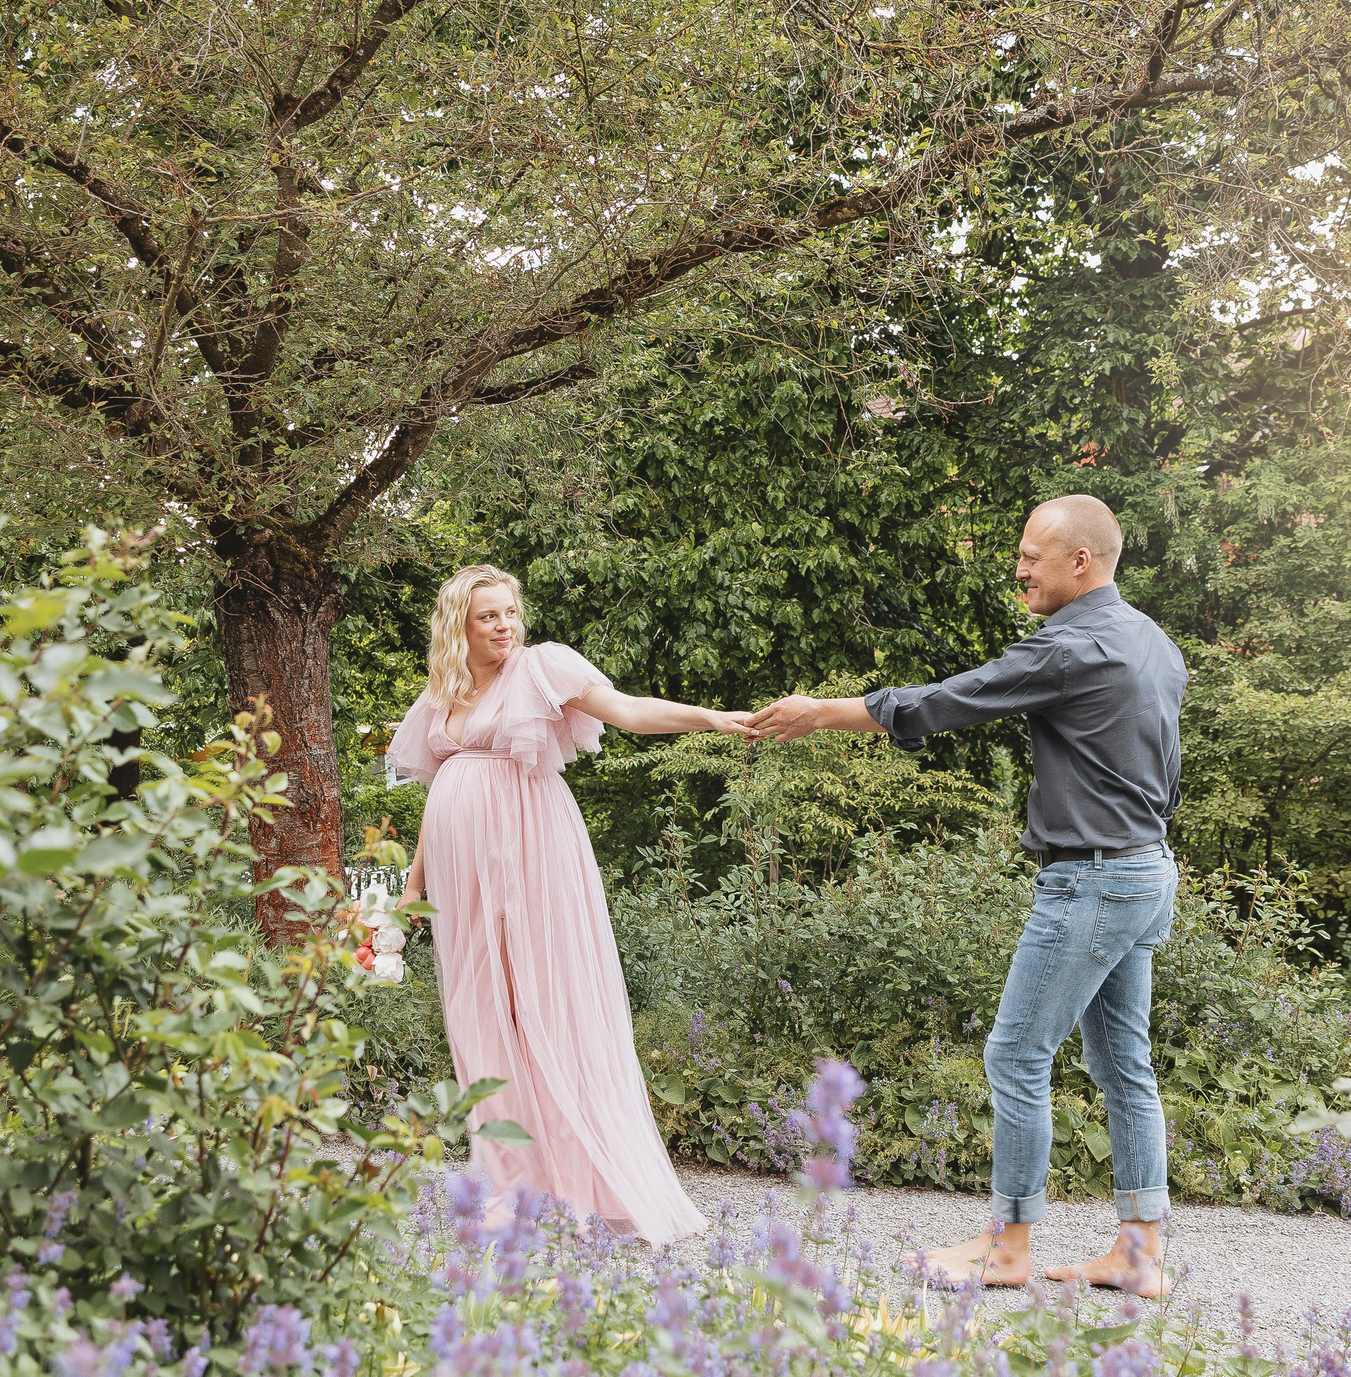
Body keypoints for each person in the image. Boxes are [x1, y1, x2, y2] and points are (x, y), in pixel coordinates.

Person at [749, 495, 1185, 1293]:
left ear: (1080, 561)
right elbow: (1166, 774)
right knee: (1125, 1061)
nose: (1020, 570)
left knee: (1016, 1053)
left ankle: (1007, 1246)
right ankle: (1139, 1253)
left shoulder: (1072, 646)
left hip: (1092, 876)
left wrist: (824, 713)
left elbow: (953, 698)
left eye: (1032, 557)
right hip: (1147, 868)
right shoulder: (1154, 643)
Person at [393, 565, 745, 1246]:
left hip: (531, 851)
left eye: (510, 611)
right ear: (459, 625)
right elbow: (437, 796)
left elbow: (629, 711)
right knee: (479, 1011)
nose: (505, 624)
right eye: (489, 616)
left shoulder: (542, 668)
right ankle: (510, 1181)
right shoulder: (443, 694)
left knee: (543, 1003)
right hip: (461, 872)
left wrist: (710, 720)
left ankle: (575, 1181)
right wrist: (414, 886)